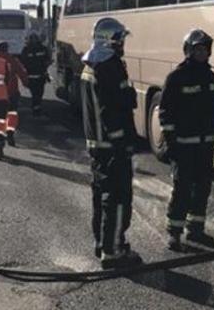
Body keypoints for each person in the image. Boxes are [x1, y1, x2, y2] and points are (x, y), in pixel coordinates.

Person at [80, 17, 142, 269]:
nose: (122, 44)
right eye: (120, 40)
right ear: (110, 41)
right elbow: (111, 110)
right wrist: (121, 144)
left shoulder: (91, 64)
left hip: (97, 145)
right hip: (111, 146)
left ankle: (103, 242)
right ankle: (113, 251)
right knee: (117, 197)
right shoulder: (109, 67)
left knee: (101, 195)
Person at [159, 29, 214, 251]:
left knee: (202, 189)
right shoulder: (176, 77)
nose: (202, 53)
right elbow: (166, 113)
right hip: (184, 146)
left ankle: (196, 230)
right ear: (188, 51)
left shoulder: (211, 77)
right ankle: (174, 233)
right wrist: (171, 142)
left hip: (205, 145)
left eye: (205, 49)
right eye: (198, 49)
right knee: (182, 189)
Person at [0, 41, 29, 147]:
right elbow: (22, 72)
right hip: (12, 92)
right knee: (12, 113)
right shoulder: (13, 60)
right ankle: (10, 133)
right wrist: (26, 83)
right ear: (7, 49)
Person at [20, 31, 51, 116]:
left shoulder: (26, 49)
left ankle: (36, 107)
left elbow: (22, 62)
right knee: (39, 93)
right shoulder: (43, 48)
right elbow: (48, 60)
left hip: (31, 76)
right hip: (40, 76)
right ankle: (37, 107)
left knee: (34, 93)